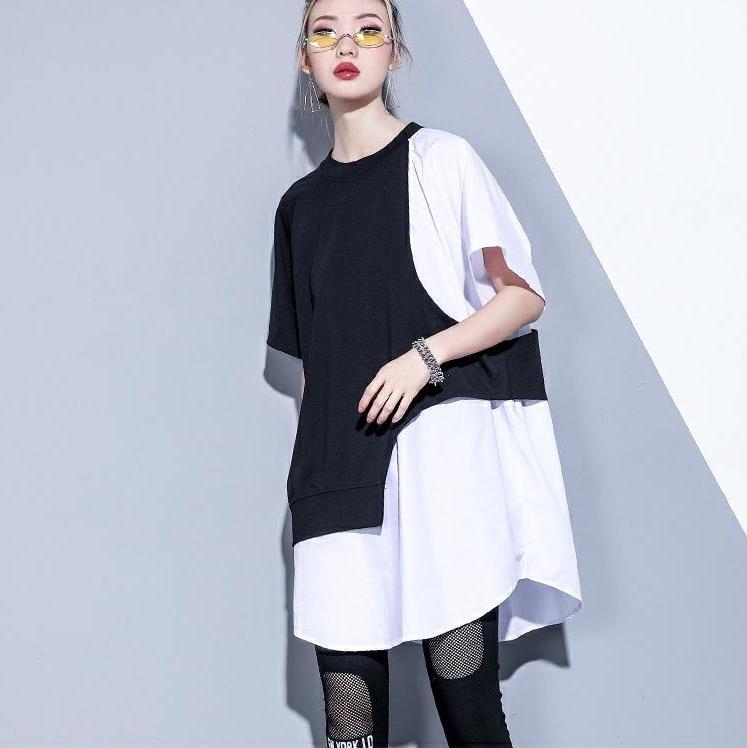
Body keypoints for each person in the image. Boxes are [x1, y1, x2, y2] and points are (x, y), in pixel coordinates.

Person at [266, 1, 583, 745]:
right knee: (348, 719)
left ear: (395, 51)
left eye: (368, 28)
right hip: (335, 474)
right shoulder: (298, 208)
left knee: (464, 695)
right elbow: (315, 368)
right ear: (304, 56)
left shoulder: (440, 160)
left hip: (438, 461)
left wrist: (425, 356)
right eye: (326, 30)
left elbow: (522, 297)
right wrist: (312, 472)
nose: (347, 43)